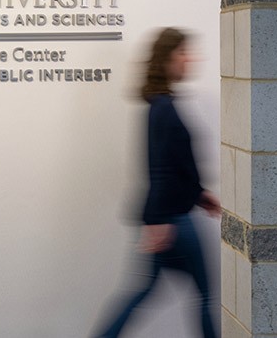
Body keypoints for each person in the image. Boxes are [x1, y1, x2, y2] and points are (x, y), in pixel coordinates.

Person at [91, 27, 221, 338]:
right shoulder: (162, 108)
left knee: (142, 291)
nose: (189, 59)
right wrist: (159, 220)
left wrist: (200, 194)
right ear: (166, 60)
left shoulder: (162, 105)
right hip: (174, 221)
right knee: (204, 295)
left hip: (170, 216)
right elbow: (159, 168)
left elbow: (174, 164)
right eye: (182, 53)